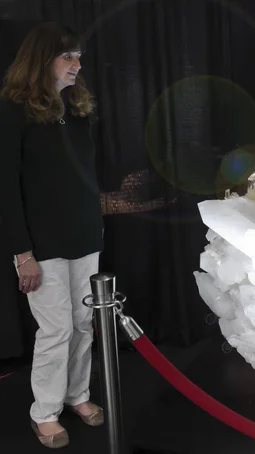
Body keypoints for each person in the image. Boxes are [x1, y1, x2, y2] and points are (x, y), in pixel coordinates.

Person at [0, 22, 105, 449]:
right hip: (41, 245)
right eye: (68, 56)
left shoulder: (76, 111)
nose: (77, 64)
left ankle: (76, 395)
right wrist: (21, 253)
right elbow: (6, 187)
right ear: (43, 60)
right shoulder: (12, 111)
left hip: (83, 237)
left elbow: (84, 178)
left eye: (78, 56)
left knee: (84, 324)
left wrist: (95, 225)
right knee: (56, 329)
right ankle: (44, 412)